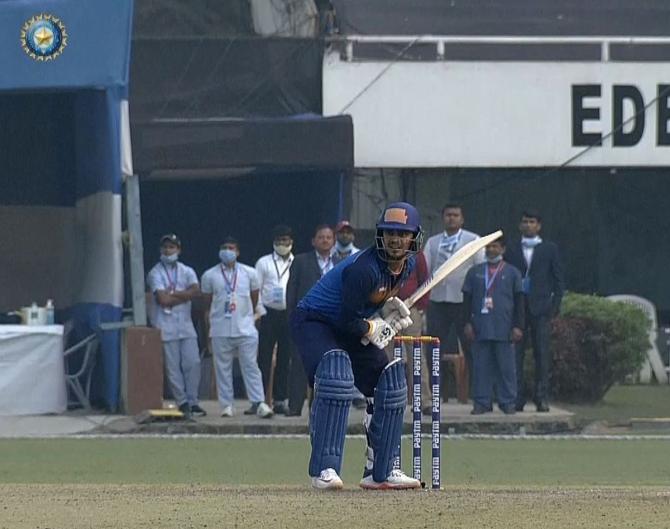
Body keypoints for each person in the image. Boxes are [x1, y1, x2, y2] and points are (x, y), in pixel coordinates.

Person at [290, 202, 423, 491]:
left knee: (390, 382)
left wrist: (386, 312)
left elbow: (363, 308)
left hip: (348, 323)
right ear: (380, 235)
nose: (396, 240)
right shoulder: (364, 269)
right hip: (316, 320)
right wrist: (374, 327)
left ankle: (381, 471)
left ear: (414, 237)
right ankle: (324, 469)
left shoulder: (408, 265)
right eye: (390, 233)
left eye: (403, 234)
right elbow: (348, 319)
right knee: (335, 373)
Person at [201, 237, 273, 419]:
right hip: (220, 328)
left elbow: (254, 298)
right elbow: (206, 303)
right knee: (222, 368)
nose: (227, 251)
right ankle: (226, 405)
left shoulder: (249, 273)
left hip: (245, 327)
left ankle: (258, 402)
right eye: (224, 247)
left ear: (238, 252)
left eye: (231, 247)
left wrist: (247, 317)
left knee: (250, 366)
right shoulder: (210, 275)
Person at [504, 210, 565, 412]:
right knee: (516, 355)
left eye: (532, 222)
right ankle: (517, 397)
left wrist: (554, 308)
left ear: (539, 226)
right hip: (517, 308)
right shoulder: (512, 248)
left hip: (540, 308)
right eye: (525, 222)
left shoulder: (549, 249)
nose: (528, 225)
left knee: (541, 354)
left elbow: (558, 281)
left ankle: (541, 397)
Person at [423, 204, 484, 400]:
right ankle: (436, 393)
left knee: (470, 347)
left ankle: (477, 394)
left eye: (455, 215)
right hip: (438, 301)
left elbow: (479, 271)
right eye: (448, 215)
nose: (451, 218)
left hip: (463, 302)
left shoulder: (473, 240)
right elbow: (426, 271)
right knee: (434, 348)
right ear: (443, 218)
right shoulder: (432, 242)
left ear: (462, 219)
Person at [462, 236, 524, 415]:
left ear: (503, 249)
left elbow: (520, 302)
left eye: (495, 246)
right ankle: (482, 402)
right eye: (488, 246)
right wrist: (467, 323)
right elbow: (466, 301)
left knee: (506, 368)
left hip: (504, 327)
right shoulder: (474, 272)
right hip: (480, 327)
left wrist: (518, 326)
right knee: (481, 367)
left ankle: (507, 402)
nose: (491, 250)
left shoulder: (513, 272)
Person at [146, 234, 205, 420]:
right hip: (166, 325)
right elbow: (162, 300)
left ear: (178, 250)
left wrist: (174, 295)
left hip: (186, 325)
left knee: (193, 363)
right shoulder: (155, 272)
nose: (168, 251)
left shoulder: (187, 270)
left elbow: (197, 291)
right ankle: (182, 402)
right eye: (165, 247)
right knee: (173, 368)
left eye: (171, 247)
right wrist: (184, 295)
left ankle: (193, 401)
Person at [285, 224, 336, 416]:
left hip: (329, 323)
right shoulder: (300, 261)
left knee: (324, 365)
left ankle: (318, 407)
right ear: (313, 241)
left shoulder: (339, 263)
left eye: (328, 237)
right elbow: (291, 292)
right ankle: (294, 407)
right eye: (321, 237)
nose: (325, 240)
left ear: (333, 241)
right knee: (299, 363)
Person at [383, 250, 432, 415]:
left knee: (416, 352)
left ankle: (423, 400)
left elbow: (425, 280)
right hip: (387, 305)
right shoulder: (381, 251)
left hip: (411, 305)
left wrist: (421, 306)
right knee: (387, 353)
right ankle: (387, 397)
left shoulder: (416, 254)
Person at [255, 225, 294, 415]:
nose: (282, 244)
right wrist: (260, 312)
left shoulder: (296, 262)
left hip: (288, 314)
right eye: (279, 241)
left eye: (285, 240)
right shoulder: (263, 262)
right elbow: (257, 289)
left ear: (291, 242)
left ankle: (280, 400)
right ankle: (260, 399)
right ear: (273, 242)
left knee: (285, 358)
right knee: (263, 357)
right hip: (268, 313)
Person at [331, 220, 366, 409]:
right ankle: (340, 392)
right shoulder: (329, 255)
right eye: (342, 232)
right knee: (335, 352)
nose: (345, 235)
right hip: (332, 308)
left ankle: (358, 393)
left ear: (353, 235)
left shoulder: (360, 255)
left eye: (348, 232)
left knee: (355, 351)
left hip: (355, 309)